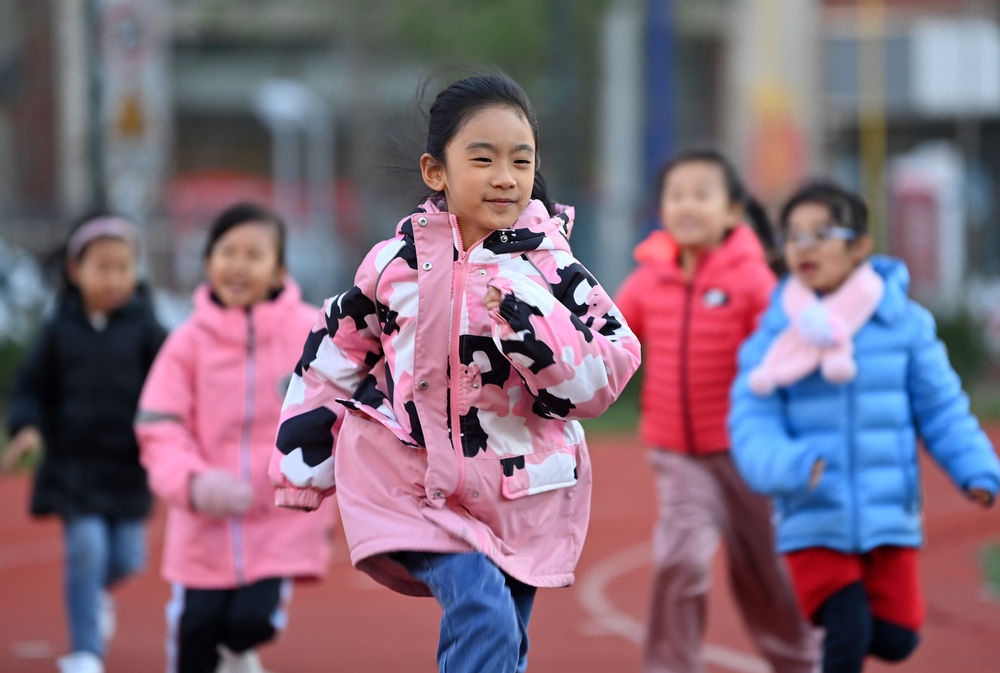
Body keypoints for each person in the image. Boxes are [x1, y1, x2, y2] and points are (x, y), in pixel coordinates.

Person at [268, 72, 641, 673]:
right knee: (484, 614)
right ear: (435, 171)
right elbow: (335, 349)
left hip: (519, 489)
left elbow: (606, 373)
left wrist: (528, 320)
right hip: (409, 481)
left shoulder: (554, 270)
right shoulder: (393, 265)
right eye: (484, 158)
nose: (505, 176)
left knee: (504, 643)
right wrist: (302, 462)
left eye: (521, 160)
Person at [728, 180, 1000, 673]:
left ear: (860, 247)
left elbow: (941, 409)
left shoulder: (905, 325)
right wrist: (790, 465)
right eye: (793, 235)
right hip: (813, 512)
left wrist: (975, 467)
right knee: (847, 629)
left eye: (821, 233)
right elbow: (751, 422)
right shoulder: (773, 334)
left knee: (897, 639)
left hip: (888, 513)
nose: (804, 247)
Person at [614, 148, 819, 673]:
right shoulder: (648, 278)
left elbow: (783, 354)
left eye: (701, 195)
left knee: (767, 573)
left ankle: (802, 660)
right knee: (681, 557)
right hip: (677, 453)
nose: (687, 205)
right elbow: (608, 337)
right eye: (676, 195)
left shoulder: (751, 280)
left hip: (747, 454)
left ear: (732, 212)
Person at [135, 203, 335, 673]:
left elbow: (348, 400)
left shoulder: (312, 332)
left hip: (280, 519)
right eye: (227, 252)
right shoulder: (187, 342)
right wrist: (193, 483)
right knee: (197, 633)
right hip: (204, 521)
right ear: (208, 263)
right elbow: (159, 425)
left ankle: (239, 650)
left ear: (279, 270)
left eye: (254, 254)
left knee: (250, 623)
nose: (238, 265)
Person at [2, 213, 167, 673]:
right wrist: (26, 427)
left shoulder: (147, 328)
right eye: (102, 267)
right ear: (76, 271)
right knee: (86, 550)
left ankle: (94, 594)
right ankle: (86, 651)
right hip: (74, 465)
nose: (113, 278)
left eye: (123, 267)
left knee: (128, 559)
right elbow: (29, 388)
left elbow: (174, 383)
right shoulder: (60, 329)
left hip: (128, 466)